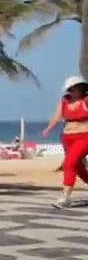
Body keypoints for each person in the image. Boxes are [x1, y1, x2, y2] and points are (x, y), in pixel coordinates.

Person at [42, 76, 88, 209]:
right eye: (70, 89)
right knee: (77, 167)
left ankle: (65, 197)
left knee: (69, 163)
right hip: (67, 137)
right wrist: (49, 128)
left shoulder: (86, 100)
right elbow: (57, 115)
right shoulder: (64, 100)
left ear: (81, 88)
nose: (72, 91)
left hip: (84, 136)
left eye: (75, 88)